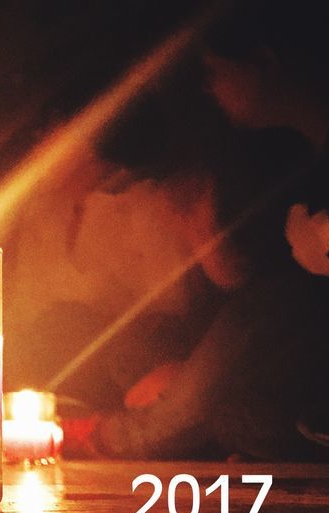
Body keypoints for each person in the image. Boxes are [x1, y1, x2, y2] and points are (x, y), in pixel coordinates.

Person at [67, 2, 329, 460]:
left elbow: (265, 306)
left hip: (289, 351)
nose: (208, 87)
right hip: (273, 362)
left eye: (215, 70)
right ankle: (176, 420)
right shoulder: (295, 160)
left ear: (264, 62)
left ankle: (119, 434)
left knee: (262, 318)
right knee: (219, 401)